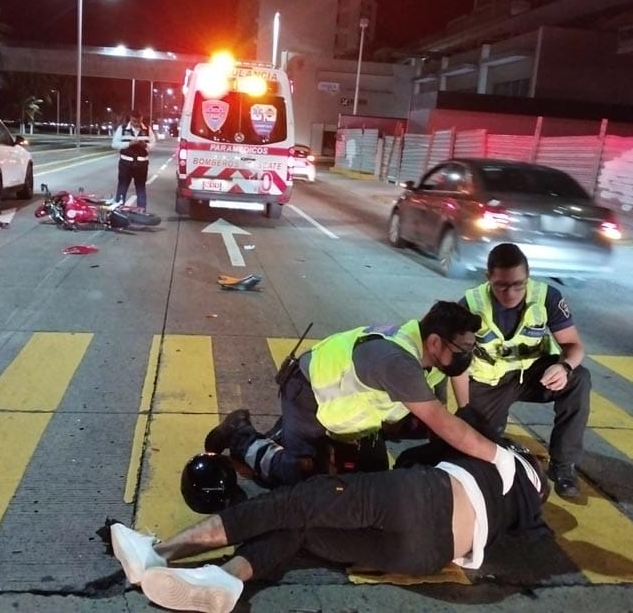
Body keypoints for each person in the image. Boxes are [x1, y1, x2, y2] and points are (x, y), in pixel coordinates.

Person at [109, 441, 549, 613]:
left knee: (294, 505)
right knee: (302, 534)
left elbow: (421, 450)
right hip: (426, 555)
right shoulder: (525, 510)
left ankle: (160, 552)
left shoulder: (505, 457)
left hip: (419, 499)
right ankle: (225, 579)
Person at [205, 301, 518, 493]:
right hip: (308, 396)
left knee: (371, 481)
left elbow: (437, 417)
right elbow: (444, 424)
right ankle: (243, 434)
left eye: (471, 348)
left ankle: (286, 434)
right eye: (463, 350)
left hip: (350, 414)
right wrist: (500, 458)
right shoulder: (398, 362)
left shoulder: (430, 358)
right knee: (299, 477)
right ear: (435, 342)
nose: (468, 356)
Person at [451, 242, 591, 499]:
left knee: (579, 378)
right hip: (489, 382)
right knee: (480, 449)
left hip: (533, 375)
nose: (511, 293)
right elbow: (457, 364)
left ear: (528, 277)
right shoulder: (470, 305)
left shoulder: (547, 297)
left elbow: (574, 345)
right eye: (502, 286)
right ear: (488, 278)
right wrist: (464, 408)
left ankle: (562, 467)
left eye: (519, 284)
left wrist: (564, 366)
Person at [111, 110, 156, 210]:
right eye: (134, 121)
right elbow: (114, 144)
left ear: (141, 119)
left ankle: (141, 211)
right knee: (122, 188)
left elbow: (153, 144)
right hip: (125, 164)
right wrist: (129, 144)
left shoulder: (147, 129)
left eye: (138, 121)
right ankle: (119, 209)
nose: (136, 123)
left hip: (141, 165)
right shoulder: (122, 129)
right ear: (130, 119)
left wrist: (146, 145)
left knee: (140, 188)